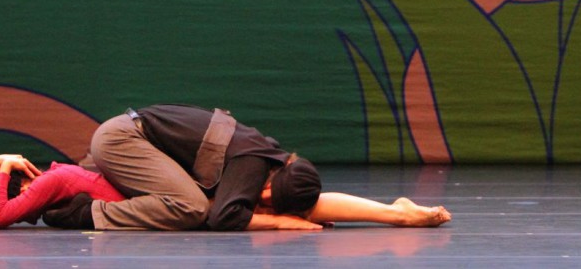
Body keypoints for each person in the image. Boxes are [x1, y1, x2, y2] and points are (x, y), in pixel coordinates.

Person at [40, 104, 451, 232]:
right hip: (121, 140)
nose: (267, 207)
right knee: (192, 207)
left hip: (133, 142)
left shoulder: (275, 162)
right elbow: (223, 217)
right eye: (272, 206)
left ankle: (396, 212)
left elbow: (308, 202)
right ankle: (85, 214)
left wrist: (393, 217)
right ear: (268, 189)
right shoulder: (252, 164)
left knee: (196, 200)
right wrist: (280, 225)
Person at [0, 153, 124, 229]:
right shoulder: (49, 180)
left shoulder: (48, 181)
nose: (23, 219)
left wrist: (5, 167)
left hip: (130, 212)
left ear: (23, 189)